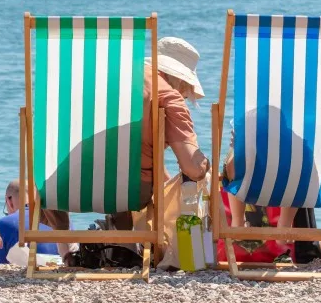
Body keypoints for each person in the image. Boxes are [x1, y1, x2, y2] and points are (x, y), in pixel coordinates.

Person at [44, 37, 212, 237]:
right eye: (187, 91)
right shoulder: (168, 96)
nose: (185, 96)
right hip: (126, 192)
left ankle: (69, 244)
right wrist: (206, 167)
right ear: (182, 81)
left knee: (110, 158)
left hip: (61, 187)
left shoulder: (103, 77)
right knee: (126, 175)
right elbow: (192, 168)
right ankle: (126, 240)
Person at [0, 180, 60, 264]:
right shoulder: (64, 222)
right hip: (64, 270)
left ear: (9, 201)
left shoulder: (4, 224)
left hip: (31, 272)